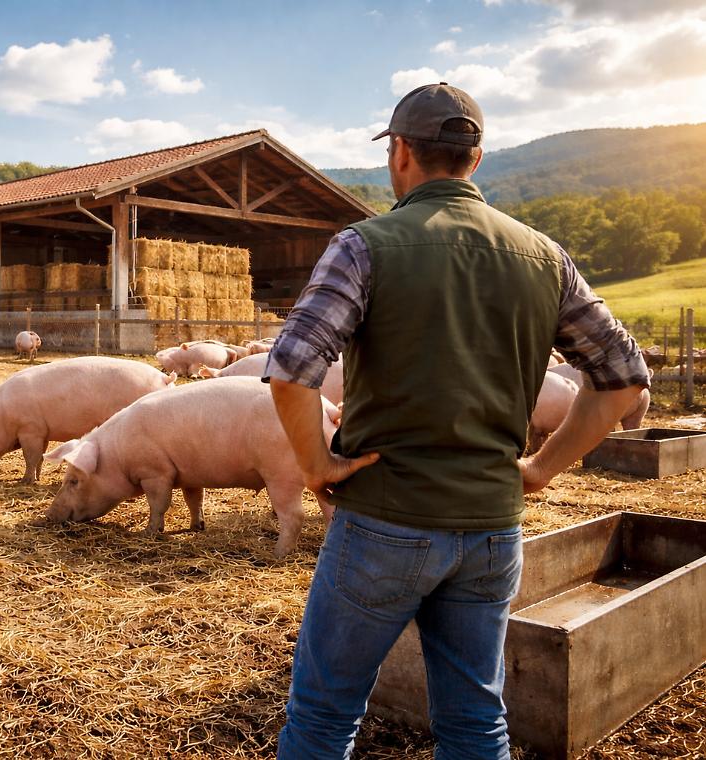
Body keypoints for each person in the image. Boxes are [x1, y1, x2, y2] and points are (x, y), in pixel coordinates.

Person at [264, 82, 650, 759]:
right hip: (491, 533)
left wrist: (316, 463)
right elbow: (623, 378)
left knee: (325, 714)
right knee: (475, 719)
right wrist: (540, 468)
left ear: (402, 153)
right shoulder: (543, 257)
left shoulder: (363, 245)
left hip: (385, 520)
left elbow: (293, 365)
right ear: (475, 159)